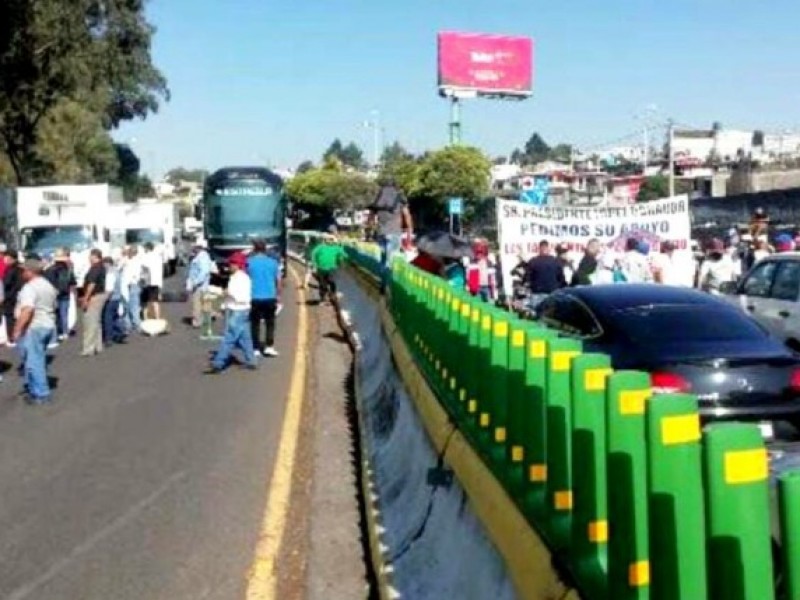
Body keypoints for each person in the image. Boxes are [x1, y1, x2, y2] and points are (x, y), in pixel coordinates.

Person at [12, 257, 58, 404]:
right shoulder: (47, 285)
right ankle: (34, 389)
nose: (22, 273)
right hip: (47, 324)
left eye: (24, 270)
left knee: (34, 361)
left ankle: (41, 394)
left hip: (35, 326)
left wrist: (17, 329)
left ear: (30, 271)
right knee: (37, 358)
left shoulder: (30, 288)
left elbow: (27, 310)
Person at [206, 252, 257, 374]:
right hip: (240, 309)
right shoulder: (238, 277)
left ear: (238, 265)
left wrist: (222, 292)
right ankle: (251, 361)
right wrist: (223, 306)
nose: (229, 266)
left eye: (232, 263)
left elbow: (237, 295)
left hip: (238, 310)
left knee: (229, 337)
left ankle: (218, 363)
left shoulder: (240, 278)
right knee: (245, 338)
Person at [369, 178, 414, 292]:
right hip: (394, 232)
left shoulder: (379, 198)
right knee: (392, 260)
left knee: (383, 260)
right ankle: (389, 286)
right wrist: (409, 230)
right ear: (395, 186)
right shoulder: (399, 197)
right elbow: (407, 215)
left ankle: (383, 283)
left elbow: (370, 217)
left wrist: (372, 229)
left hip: (381, 233)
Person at [247, 239, 282, 357]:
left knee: (255, 323)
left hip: (254, 296)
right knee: (270, 322)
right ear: (265, 249)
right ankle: (269, 346)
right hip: (269, 296)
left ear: (254, 249)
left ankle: (255, 347)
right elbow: (278, 281)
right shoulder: (273, 263)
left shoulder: (249, 262)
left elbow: (246, 279)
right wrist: (278, 295)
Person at [44, 248, 76, 342]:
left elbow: (48, 282)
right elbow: (72, 282)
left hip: (54, 294)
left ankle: (57, 332)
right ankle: (65, 332)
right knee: (64, 313)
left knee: (54, 314)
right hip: (65, 293)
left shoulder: (50, 270)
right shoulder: (68, 269)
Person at [80, 249, 107, 356]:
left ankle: (88, 348)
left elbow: (91, 284)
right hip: (100, 295)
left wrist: (86, 298)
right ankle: (97, 345)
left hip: (94, 296)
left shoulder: (95, 268)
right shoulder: (102, 267)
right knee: (96, 321)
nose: (89, 259)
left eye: (90, 256)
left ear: (94, 257)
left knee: (90, 322)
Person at [525, 240, 567, 306]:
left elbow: (527, 278)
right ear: (548, 248)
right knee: (550, 314)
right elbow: (561, 279)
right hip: (552, 293)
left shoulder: (533, 261)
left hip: (537, 293)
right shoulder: (555, 261)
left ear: (539, 248)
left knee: (537, 314)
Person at [311, 234, 348, 302]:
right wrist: (314, 265)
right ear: (325, 240)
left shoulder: (336, 248)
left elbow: (344, 255)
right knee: (323, 284)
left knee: (332, 282)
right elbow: (313, 254)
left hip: (332, 268)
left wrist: (341, 257)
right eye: (329, 239)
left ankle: (332, 295)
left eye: (332, 239)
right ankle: (322, 297)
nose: (330, 241)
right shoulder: (320, 247)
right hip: (321, 269)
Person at [186, 240, 214, 328]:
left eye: (195, 246)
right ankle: (208, 316)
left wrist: (195, 282)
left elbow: (204, 272)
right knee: (204, 302)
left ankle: (197, 321)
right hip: (200, 285)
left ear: (199, 247)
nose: (193, 248)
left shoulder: (202, 257)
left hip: (200, 285)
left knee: (197, 303)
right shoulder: (199, 256)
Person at [101, 256, 126, 345]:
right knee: (115, 317)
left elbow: (109, 289)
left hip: (111, 298)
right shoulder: (116, 271)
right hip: (117, 297)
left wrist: (104, 299)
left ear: (107, 263)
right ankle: (119, 333)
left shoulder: (110, 273)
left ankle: (108, 338)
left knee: (108, 318)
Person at [120, 245, 143, 333]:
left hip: (133, 284)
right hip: (126, 285)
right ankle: (129, 325)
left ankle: (135, 324)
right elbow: (118, 267)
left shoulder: (136, 260)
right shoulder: (126, 260)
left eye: (130, 251)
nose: (129, 253)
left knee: (133, 305)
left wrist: (124, 258)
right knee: (127, 305)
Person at [3, 250, 24, 347]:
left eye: (6, 257)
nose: (4, 259)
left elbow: (6, 283)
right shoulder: (21, 268)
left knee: (9, 317)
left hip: (10, 297)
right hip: (18, 295)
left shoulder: (11, 269)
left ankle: (11, 338)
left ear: (12, 258)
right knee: (17, 316)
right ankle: (18, 336)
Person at [141, 241, 164, 320]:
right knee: (155, 302)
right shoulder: (158, 257)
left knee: (145, 302)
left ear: (147, 248)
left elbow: (144, 268)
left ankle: (145, 318)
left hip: (147, 282)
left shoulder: (146, 257)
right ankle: (157, 318)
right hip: (157, 281)